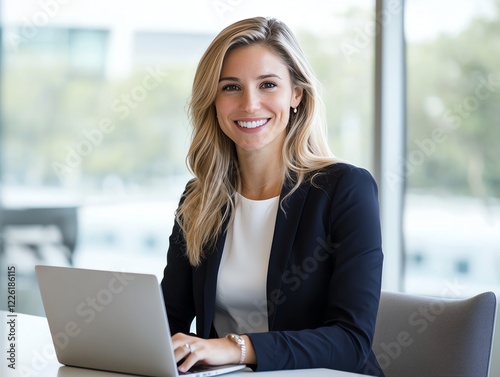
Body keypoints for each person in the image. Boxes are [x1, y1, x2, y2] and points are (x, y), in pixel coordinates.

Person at [161, 16, 384, 376]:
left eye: (268, 84)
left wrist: (235, 348)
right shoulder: (200, 197)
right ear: (213, 101)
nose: (250, 104)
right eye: (230, 87)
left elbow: (351, 341)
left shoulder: (346, 189)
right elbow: (169, 318)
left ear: (296, 93)